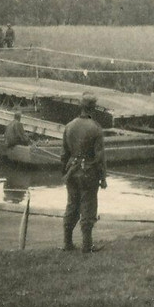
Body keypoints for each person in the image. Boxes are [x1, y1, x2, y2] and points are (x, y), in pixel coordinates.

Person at [62, 93, 107, 254]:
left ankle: (67, 243)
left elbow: (64, 154)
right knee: (88, 206)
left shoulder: (69, 126)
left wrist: (64, 173)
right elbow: (99, 157)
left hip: (71, 172)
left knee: (71, 205)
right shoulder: (96, 128)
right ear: (93, 108)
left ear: (81, 106)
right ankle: (87, 246)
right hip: (89, 172)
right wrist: (103, 178)